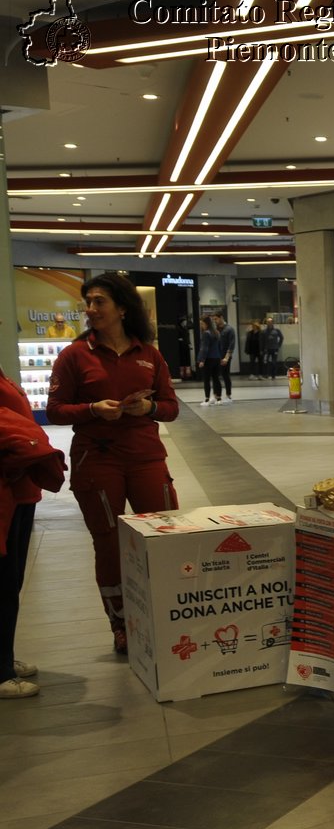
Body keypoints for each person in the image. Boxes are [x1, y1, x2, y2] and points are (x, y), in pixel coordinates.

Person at [47, 272, 181, 655]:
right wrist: (91, 409)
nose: (90, 309)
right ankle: (121, 623)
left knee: (164, 536)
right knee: (108, 545)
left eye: (99, 301)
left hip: (146, 457)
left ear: (122, 308)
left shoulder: (149, 354)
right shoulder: (74, 355)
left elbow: (171, 408)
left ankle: (165, 613)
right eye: (87, 301)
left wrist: (148, 407)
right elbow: (54, 410)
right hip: (97, 460)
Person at [1, 365, 65, 698]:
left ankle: (5, 658)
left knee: (11, 581)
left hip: (20, 487)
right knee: (3, 583)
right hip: (7, 487)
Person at [197, 315, 222, 405]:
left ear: (206, 324)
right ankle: (218, 399)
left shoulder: (206, 333)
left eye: (202, 324)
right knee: (216, 379)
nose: (201, 326)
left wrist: (201, 360)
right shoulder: (216, 332)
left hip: (208, 359)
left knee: (206, 380)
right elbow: (220, 347)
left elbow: (204, 348)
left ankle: (207, 399)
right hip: (216, 358)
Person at [214, 315, 235, 401]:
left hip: (225, 356)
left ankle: (228, 395)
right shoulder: (216, 329)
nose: (215, 321)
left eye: (216, 319)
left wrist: (227, 357)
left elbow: (232, 344)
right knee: (215, 376)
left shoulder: (229, 329)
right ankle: (216, 395)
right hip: (216, 356)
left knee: (225, 375)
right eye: (214, 319)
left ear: (221, 317)